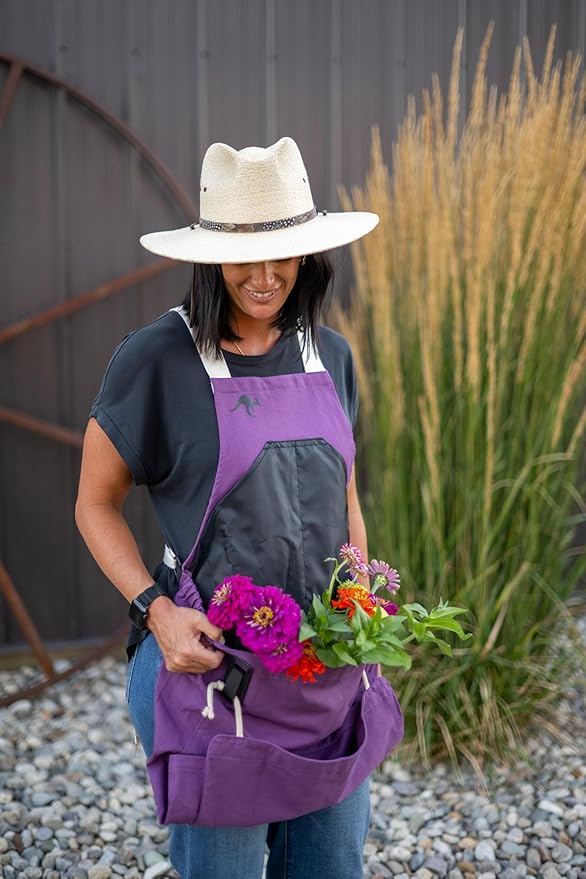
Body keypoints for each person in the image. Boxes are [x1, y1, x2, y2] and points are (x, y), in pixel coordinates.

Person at [75, 136, 403, 879]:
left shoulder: (333, 356)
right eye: (244, 256)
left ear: (309, 254)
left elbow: (345, 492)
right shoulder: (157, 359)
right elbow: (94, 504)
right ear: (208, 256)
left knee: (331, 865)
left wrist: (362, 601)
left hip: (324, 670)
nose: (264, 276)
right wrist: (157, 611)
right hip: (210, 673)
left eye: (282, 253)